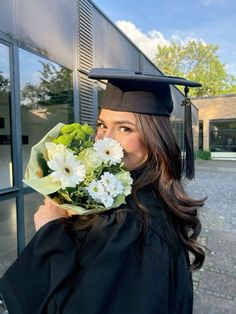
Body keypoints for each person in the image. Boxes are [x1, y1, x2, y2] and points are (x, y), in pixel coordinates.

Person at [0, 68, 205, 314]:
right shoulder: (141, 198)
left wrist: (50, 233)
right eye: (102, 124)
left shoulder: (130, 223)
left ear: (154, 138)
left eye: (125, 128)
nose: (105, 139)